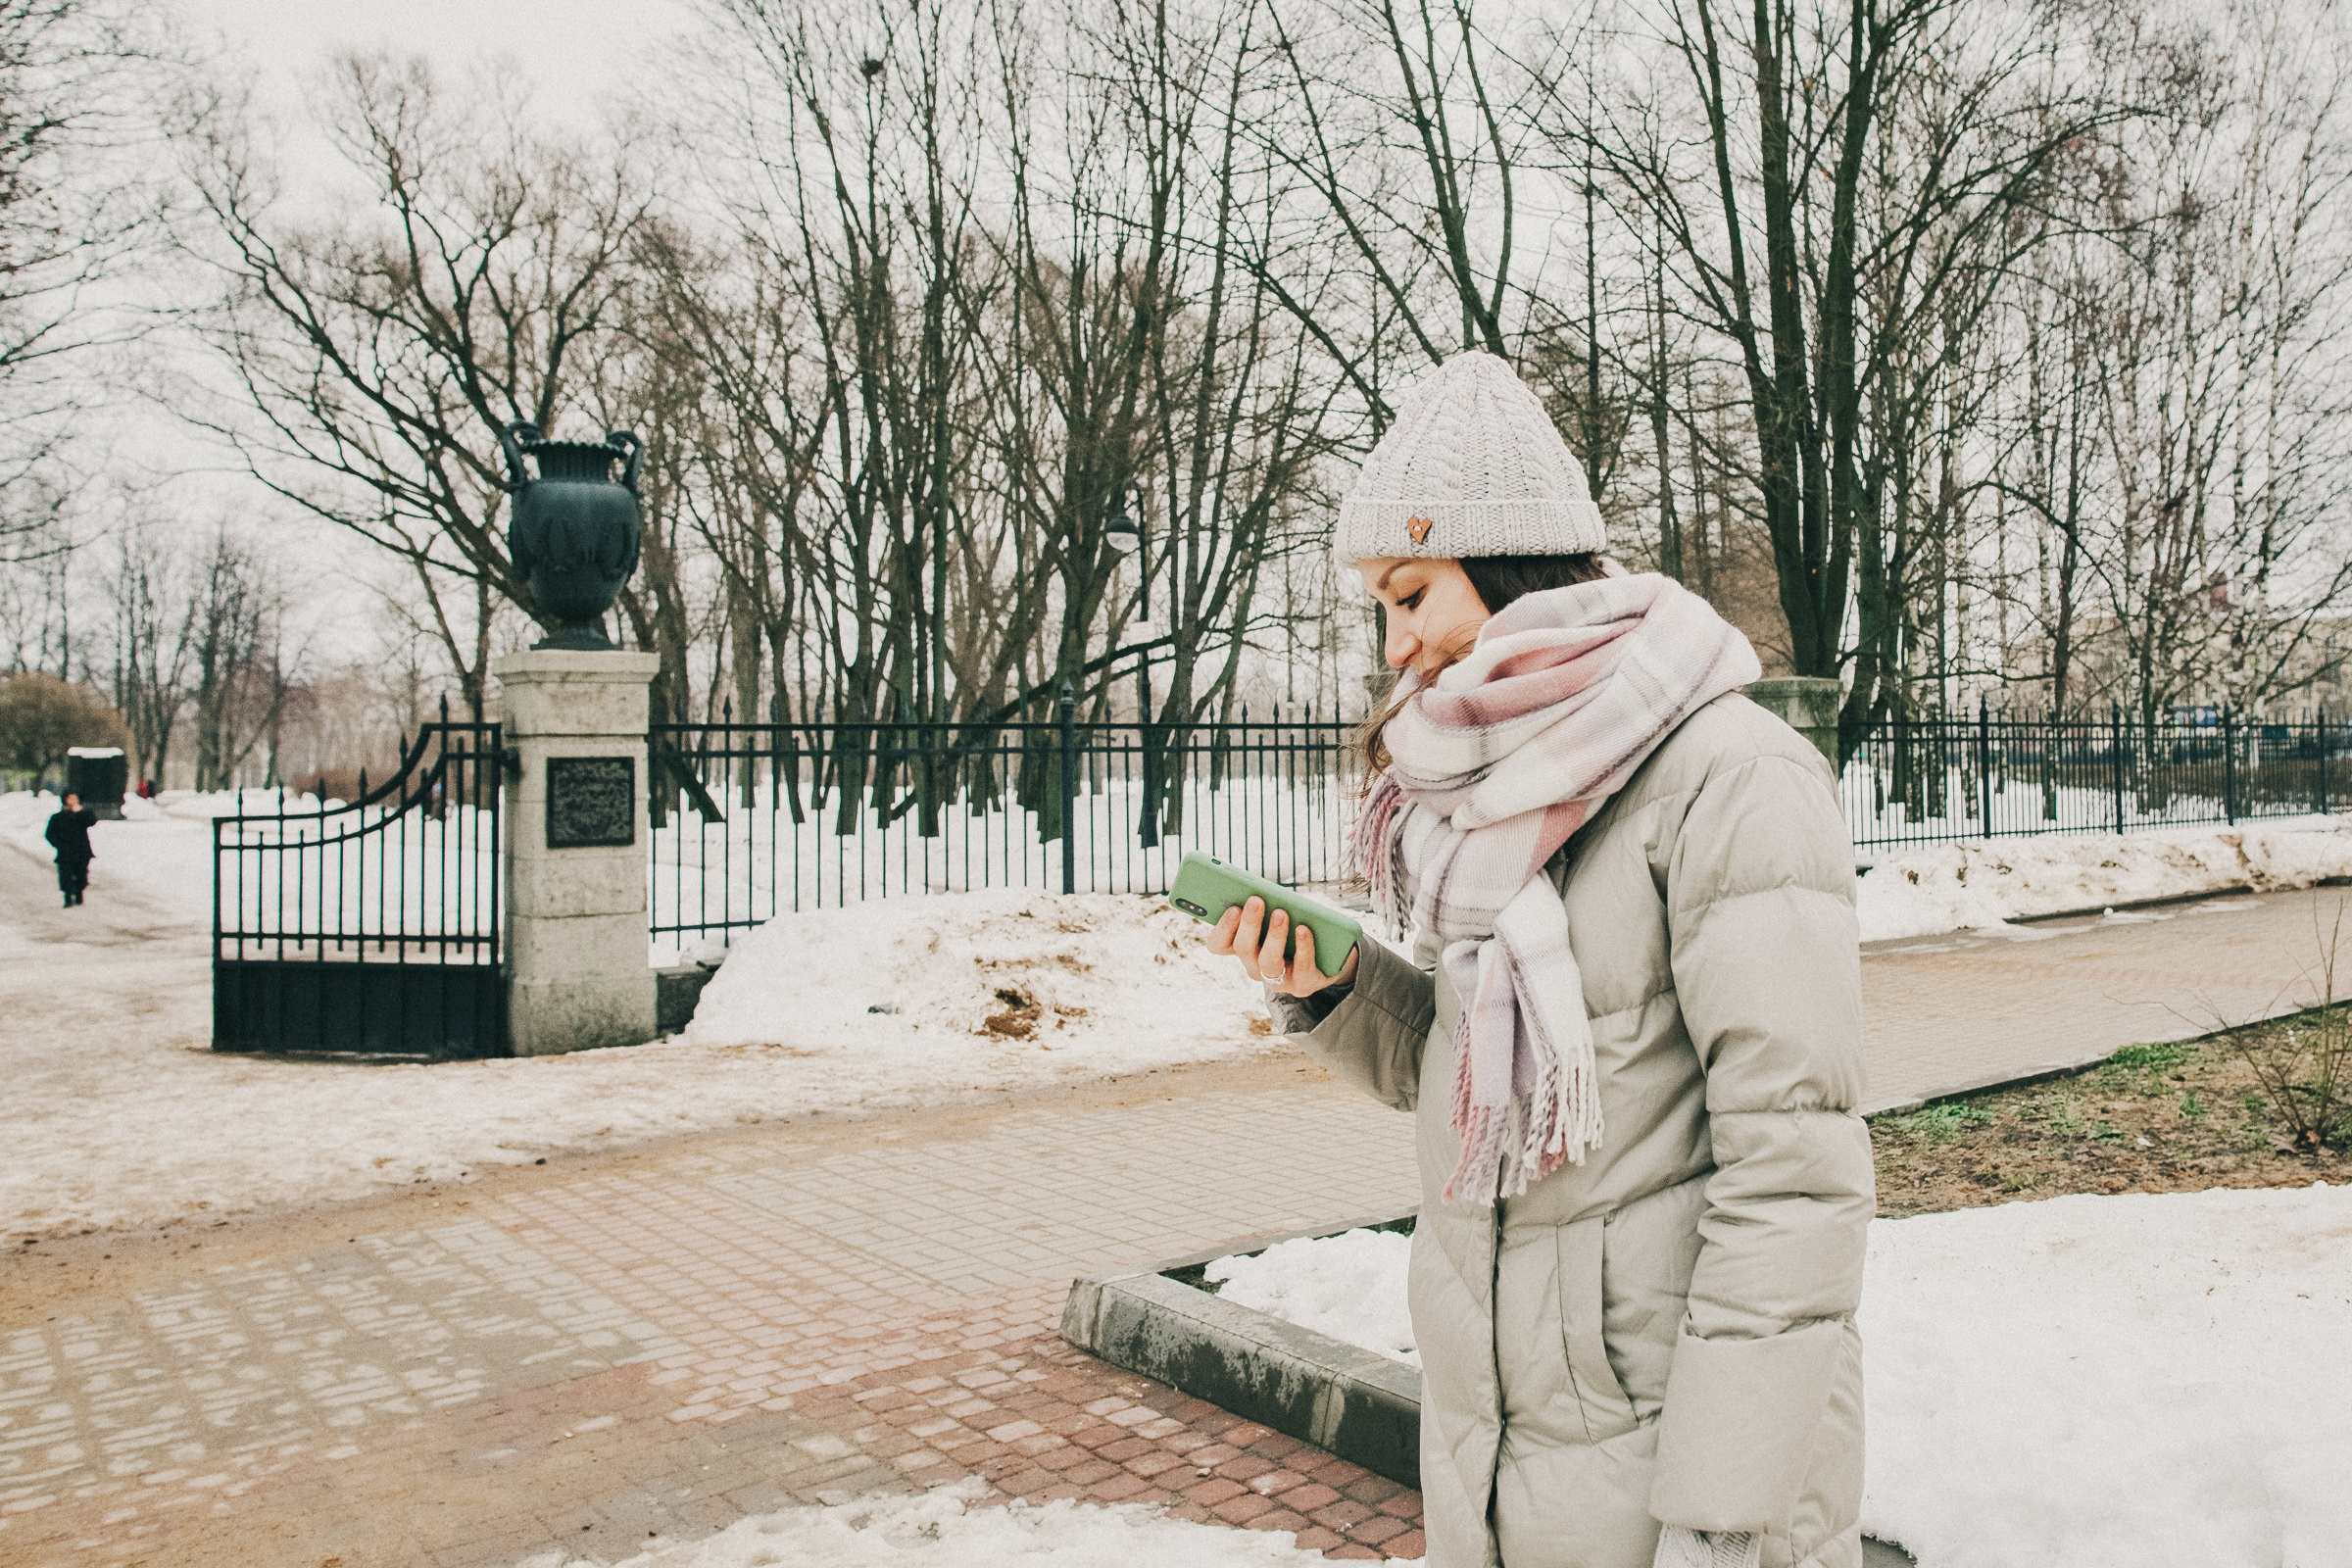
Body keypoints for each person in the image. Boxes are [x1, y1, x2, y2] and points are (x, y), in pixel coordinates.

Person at [1205, 351, 1871, 1568]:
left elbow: (1798, 1174)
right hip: (1500, 1450)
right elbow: (1485, 1081)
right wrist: (1340, 987)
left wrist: (1720, 1521)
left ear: (1509, 570)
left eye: (1414, 594)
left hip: (1672, 1463)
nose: (1398, 643)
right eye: (1381, 608)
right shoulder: (1494, 799)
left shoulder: (1733, 777)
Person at [45, 790, 97, 908]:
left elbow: (92, 821)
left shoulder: (83, 815)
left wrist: (80, 812)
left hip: (82, 851)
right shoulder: (57, 817)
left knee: (81, 874)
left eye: (75, 798)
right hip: (65, 852)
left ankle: (79, 893)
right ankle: (67, 896)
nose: (73, 801)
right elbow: (49, 834)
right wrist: (59, 844)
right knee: (66, 875)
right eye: (70, 798)